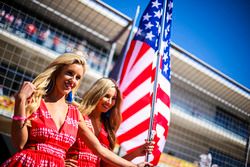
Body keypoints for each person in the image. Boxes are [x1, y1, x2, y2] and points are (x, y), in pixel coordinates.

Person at [1, 52, 151, 167]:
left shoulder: (74, 113)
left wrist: (134, 165)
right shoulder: (35, 101)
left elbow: (100, 150)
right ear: (57, 72)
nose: (73, 80)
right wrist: (20, 100)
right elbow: (19, 143)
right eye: (69, 73)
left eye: (78, 77)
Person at [65, 78, 154, 167]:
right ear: (97, 93)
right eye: (107, 96)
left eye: (114, 98)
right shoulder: (76, 114)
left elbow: (106, 164)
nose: (110, 102)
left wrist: (136, 153)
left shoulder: (108, 128)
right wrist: (61, 161)